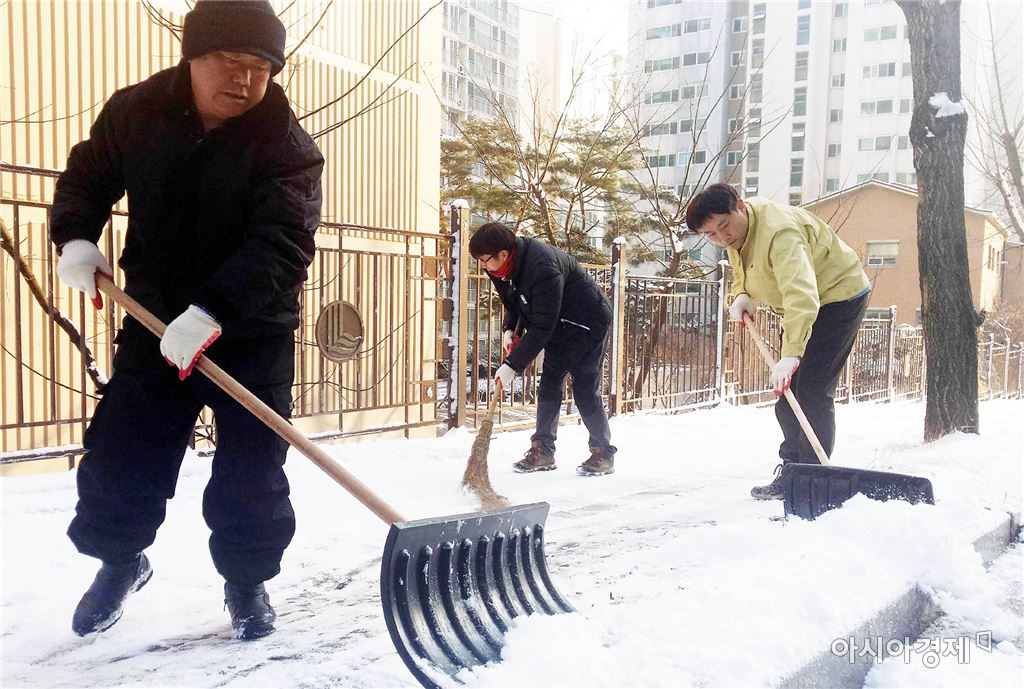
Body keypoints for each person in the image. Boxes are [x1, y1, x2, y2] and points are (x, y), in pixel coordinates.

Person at [50, 0, 323, 640]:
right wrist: (76, 238)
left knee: (251, 474)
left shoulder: (285, 145)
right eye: (231, 61)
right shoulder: (137, 111)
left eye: (261, 67)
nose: (246, 79)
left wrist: (215, 312)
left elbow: (283, 242)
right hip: (153, 317)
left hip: (251, 328)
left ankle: (246, 580)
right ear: (194, 54)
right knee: (123, 453)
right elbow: (88, 175)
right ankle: (121, 562)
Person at [685, 183, 870, 500]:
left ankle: (813, 478)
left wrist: (792, 354)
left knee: (811, 390)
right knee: (788, 395)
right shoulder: (739, 230)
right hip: (804, 304)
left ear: (739, 206)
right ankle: (793, 472)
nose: (722, 237)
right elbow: (743, 261)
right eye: (711, 234)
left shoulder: (780, 234)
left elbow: (802, 295)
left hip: (839, 296)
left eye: (724, 226)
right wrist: (741, 293)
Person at [469, 222, 617, 476]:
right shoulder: (501, 269)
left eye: (485, 260)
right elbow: (514, 303)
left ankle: (603, 452)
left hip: (587, 323)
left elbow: (543, 324)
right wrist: (508, 329)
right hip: (558, 323)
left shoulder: (542, 266)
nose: (483, 266)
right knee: (548, 384)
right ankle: (543, 451)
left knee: (583, 387)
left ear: (503, 254)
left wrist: (512, 364)